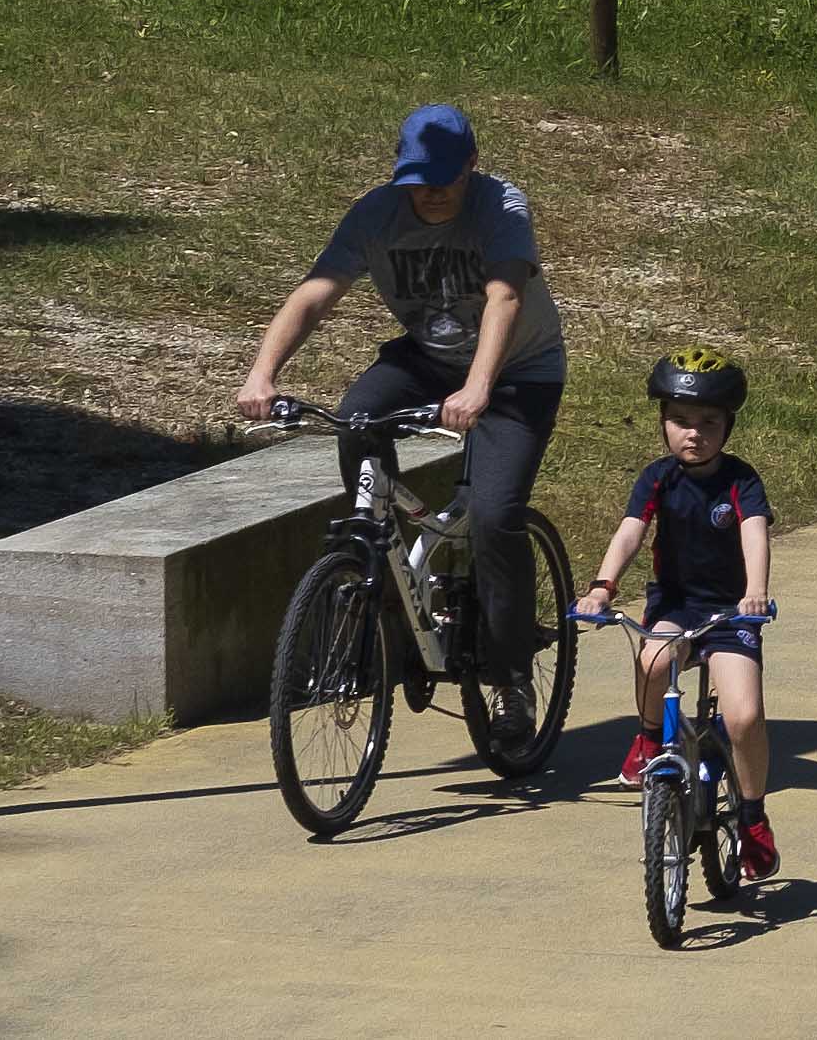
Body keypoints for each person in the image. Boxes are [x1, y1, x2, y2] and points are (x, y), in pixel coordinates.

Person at [235, 104, 565, 754]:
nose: (431, 191)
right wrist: (262, 374)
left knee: (495, 514)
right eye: (419, 179)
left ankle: (512, 680)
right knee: (356, 418)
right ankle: (379, 573)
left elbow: (504, 296)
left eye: (445, 177)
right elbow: (315, 292)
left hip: (518, 371)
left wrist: (479, 386)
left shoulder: (500, 205)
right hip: (429, 359)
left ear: (472, 165)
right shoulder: (376, 213)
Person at [577, 347, 780, 879]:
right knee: (653, 660)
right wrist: (602, 588)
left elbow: (753, 533)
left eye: (709, 422)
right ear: (663, 423)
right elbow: (630, 532)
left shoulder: (740, 480)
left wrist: (755, 592)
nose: (694, 433)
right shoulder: (657, 478)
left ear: (728, 426)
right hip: (675, 605)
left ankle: (753, 817)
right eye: (681, 421)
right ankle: (649, 736)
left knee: (744, 716)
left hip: (731, 613)